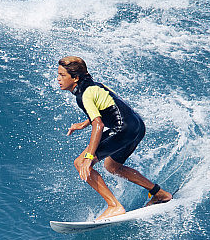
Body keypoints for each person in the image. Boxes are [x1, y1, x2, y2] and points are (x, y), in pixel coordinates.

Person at [57, 56, 172, 220]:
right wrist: (83, 124)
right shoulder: (95, 86)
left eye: (62, 75)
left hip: (122, 129)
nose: (58, 79)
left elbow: (99, 124)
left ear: (75, 78)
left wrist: (89, 157)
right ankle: (159, 193)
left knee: (81, 163)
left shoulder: (83, 95)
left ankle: (114, 206)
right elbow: (109, 106)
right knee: (112, 167)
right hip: (137, 126)